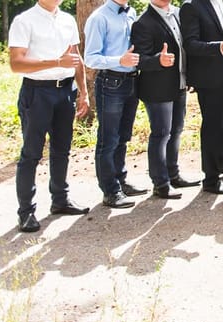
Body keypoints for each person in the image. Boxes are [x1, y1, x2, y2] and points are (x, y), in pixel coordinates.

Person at [8, 0, 91, 232]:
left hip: (66, 90)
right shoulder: (24, 21)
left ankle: (60, 199)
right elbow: (16, 63)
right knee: (32, 154)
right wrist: (56, 62)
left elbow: (75, 58)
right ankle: (26, 212)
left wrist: (83, 92)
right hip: (37, 92)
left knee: (62, 150)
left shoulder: (67, 20)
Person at [132, 0, 202, 200]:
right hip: (157, 88)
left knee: (176, 131)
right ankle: (160, 183)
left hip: (179, 83)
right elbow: (139, 59)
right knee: (161, 134)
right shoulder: (142, 23)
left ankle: (173, 174)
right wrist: (158, 60)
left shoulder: (179, 14)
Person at [84, 0, 147, 208]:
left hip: (132, 81)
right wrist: (119, 61)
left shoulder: (131, 13)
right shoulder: (99, 18)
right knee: (108, 138)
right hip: (111, 82)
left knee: (123, 136)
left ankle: (121, 180)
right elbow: (91, 59)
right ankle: (110, 191)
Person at [181, 0, 223, 194]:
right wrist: (220, 48)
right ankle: (210, 178)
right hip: (207, 75)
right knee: (212, 125)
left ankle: (221, 163)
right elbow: (190, 44)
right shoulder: (191, 6)